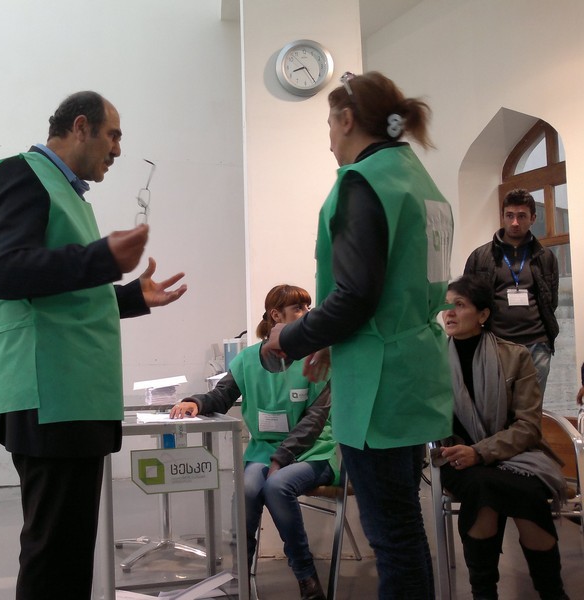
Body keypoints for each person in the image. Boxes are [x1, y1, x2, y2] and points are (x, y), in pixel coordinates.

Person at [0, 91, 187, 600]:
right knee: (53, 558)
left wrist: (131, 295)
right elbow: (2, 271)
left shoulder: (72, 197)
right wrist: (101, 258)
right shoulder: (20, 175)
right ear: (81, 126)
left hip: (75, 399)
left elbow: (71, 296)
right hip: (49, 397)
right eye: (113, 136)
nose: (118, 150)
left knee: (69, 558)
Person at [262, 71, 454, 599]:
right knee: (404, 528)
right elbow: (389, 289)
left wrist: (291, 337)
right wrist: (330, 337)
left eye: (329, 122)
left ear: (346, 119)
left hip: (377, 382)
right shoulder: (419, 181)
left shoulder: (361, 182)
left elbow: (354, 296)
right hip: (414, 371)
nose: (328, 137)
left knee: (390, 534)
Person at [171, 284, 337, 600]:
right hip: (264, 451)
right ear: (276, 315)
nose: (307, 313)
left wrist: (282, 457)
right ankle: (239, 578)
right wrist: (196, 401)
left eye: (307, 307)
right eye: (299, 308)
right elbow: (221, 396)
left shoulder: (316, 358)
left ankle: (306, 577)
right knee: (247, 489)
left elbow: (315, 422)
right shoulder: (247, 360)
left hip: (313, 452)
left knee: (277, 485)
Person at [440, 274, 569, 600]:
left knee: (518, 490)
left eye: (460, 305)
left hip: (515, 455)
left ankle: (549, 592)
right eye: (446, 305)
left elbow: (528, 427)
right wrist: (458, 452)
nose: (449, 313)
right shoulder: (433, 363)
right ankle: (488, 593)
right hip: (458, 460)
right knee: (484, 487)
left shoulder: (515, 356)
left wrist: (480, 452)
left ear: (483, 314)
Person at [464, 188, 559, 397]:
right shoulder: (480, 257)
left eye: (522, 216)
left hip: (537, 346)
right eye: (510, 215)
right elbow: (468, 303)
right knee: (496, 407)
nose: (515, 222)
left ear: (533, 218)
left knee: (531, 409)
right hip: (496, 344)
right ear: (503, 216)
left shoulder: (546, 257)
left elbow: (551, 301)